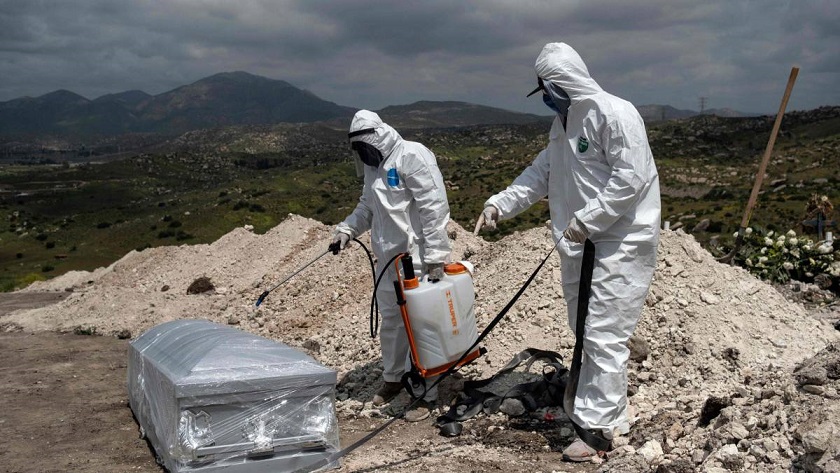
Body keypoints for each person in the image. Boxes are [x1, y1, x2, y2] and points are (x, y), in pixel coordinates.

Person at [475, 42, 661, 461]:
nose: (546, 98)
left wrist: (588, 218)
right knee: (586, 332)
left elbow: (630, 179)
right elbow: (541, 173)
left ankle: (598, 434)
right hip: (579, 244)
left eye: (548, 89)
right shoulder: (562, 126)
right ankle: (611, 415)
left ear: (563, 82)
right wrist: (499, 204)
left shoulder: (615, 113)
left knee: (604, 334)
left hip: (618, 244)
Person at [332, 109, 451, 422]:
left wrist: (437, 254)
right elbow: (366, 208)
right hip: (387, 261)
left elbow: (433, 206)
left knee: (422, 324)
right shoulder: (374, 169)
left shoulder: (412, 156)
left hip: (419, 259)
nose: (363, 156)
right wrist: (346, 230)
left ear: (376, 139)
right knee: (392, 321)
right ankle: (394, 378)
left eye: (364, 149)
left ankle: (429, 389)